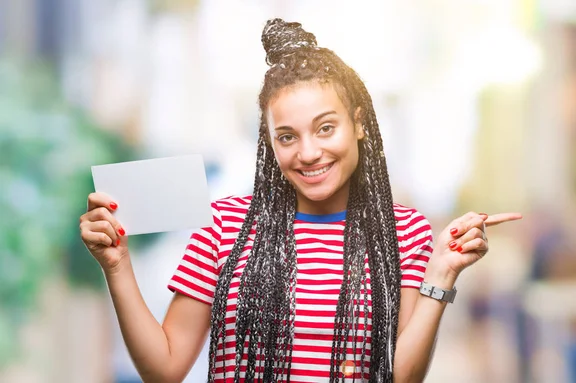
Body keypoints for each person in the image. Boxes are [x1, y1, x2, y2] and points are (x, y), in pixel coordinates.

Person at [79, 19, 522, 383]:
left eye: (326, 128)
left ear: (359, 124)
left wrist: (442, 273)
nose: (308, 153)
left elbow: (401, 376)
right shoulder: (225, 224)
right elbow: (165, 369)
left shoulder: (403, 231)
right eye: (287, 136)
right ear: (269, 144)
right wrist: (116, 266)